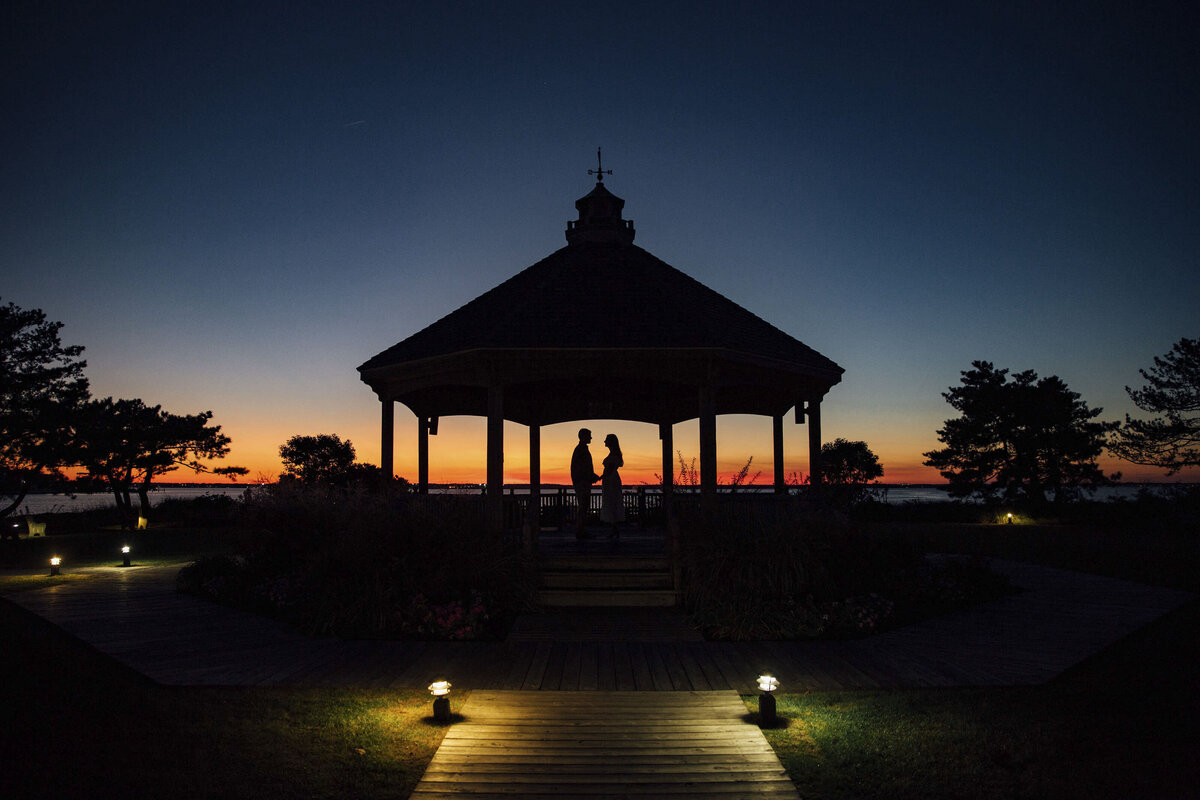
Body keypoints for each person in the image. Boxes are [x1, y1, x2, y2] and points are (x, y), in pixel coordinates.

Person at [570, 428, 600, 538]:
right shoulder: (581, 450)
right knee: (583, 506)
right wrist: (591, 477)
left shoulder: (580, 449)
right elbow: (582, 469)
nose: (591, 438)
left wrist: (591, 476)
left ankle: (581, 530)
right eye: (589, 436)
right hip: (582, 483)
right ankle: (580, 531)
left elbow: (583, 468)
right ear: (583, 437)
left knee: (583, 507)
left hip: (582, 482)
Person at [599, 433, 625, 541]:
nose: (604, 441)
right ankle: (614, 529)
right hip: (611, 479)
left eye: (606, 440)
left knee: (611, 501)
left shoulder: (613, 455)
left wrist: (601, 477)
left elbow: (609, 469)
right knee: (612, 501)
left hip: (611, 480)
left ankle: (615, 530)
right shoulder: (614, 454)